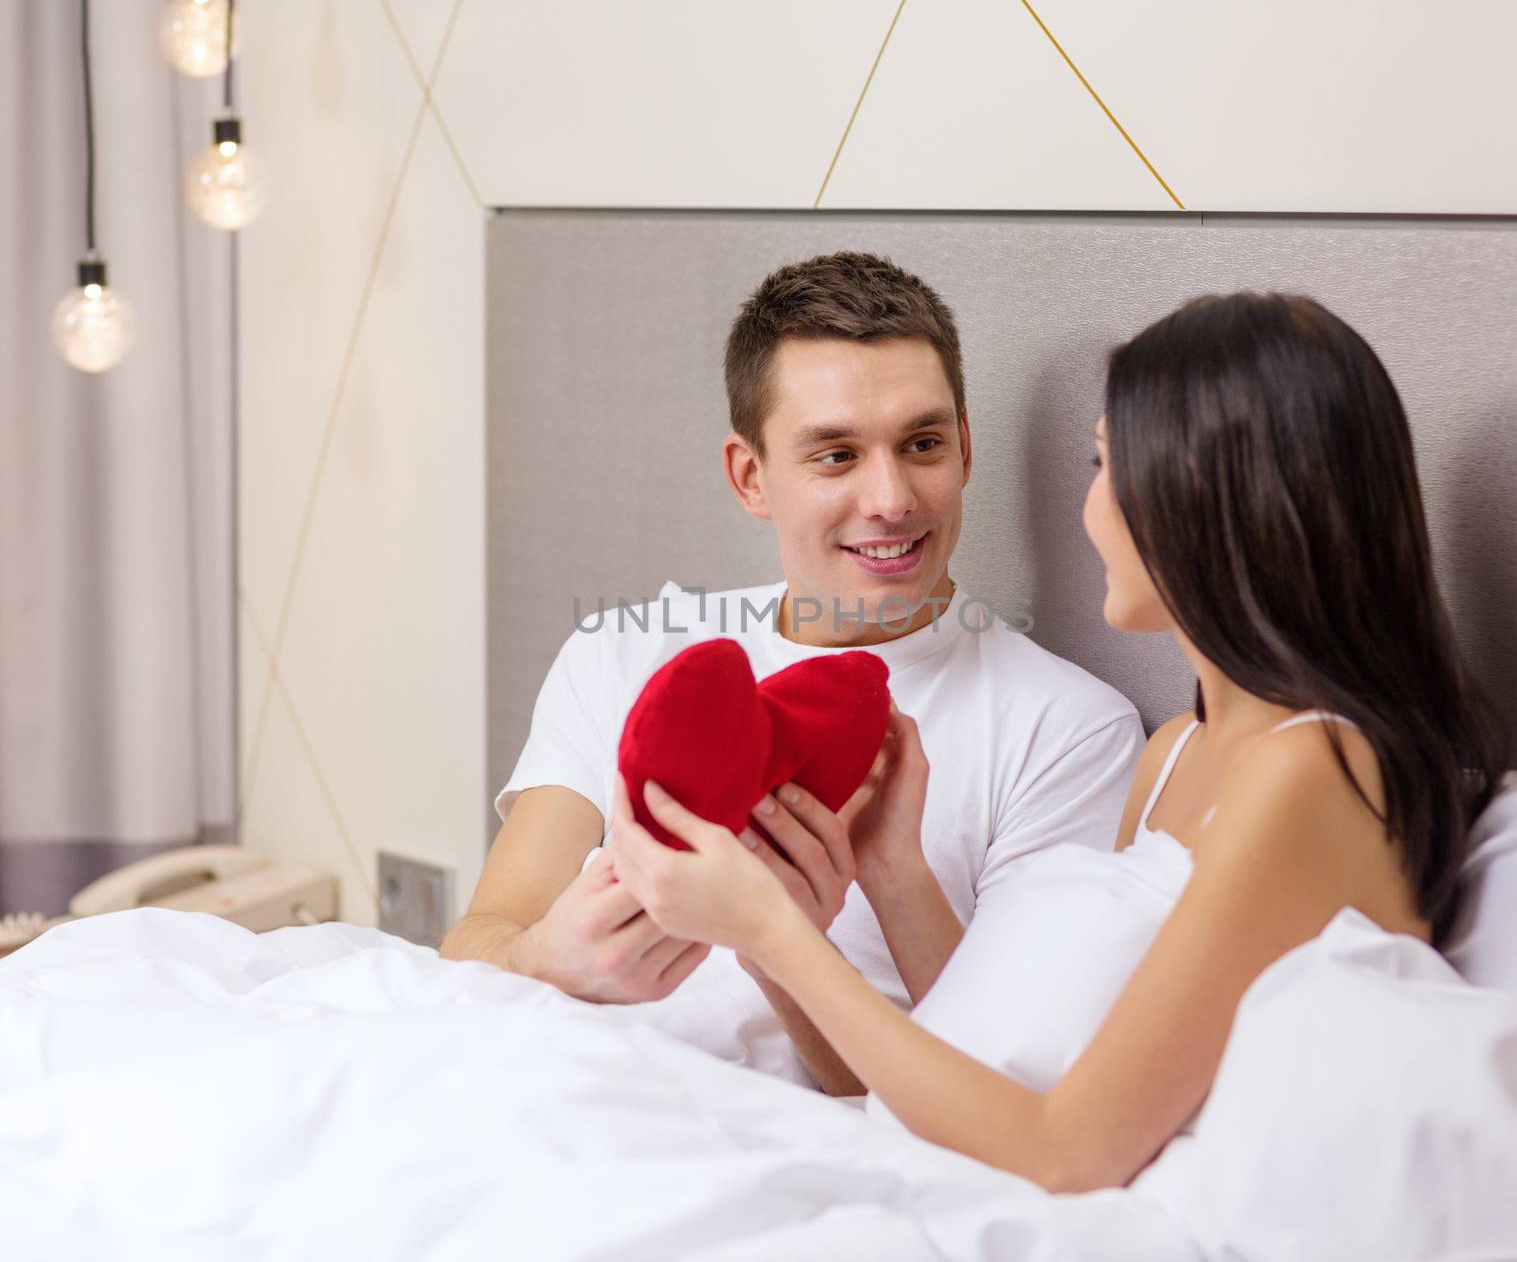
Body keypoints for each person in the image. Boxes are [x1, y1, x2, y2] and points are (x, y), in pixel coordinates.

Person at [607, 290, 1508, 1189]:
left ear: (1207, 497)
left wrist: (768, 929)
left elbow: (1068, 1148)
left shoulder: (1312, 771)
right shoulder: (1175, 758)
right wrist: (894, 872)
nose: (1090, 510)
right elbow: (1025, 1053)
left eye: (1107, 466)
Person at [441, 250, 1145, 1095]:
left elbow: (998, 1085)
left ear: (963, 447)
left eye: (921, 443)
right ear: (751, 476)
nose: (891, 498)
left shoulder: (1066, 729)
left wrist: (795, 929)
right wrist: (544, 957)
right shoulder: (626, 654)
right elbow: (477, 942)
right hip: (562, 1099)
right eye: (836, 455)